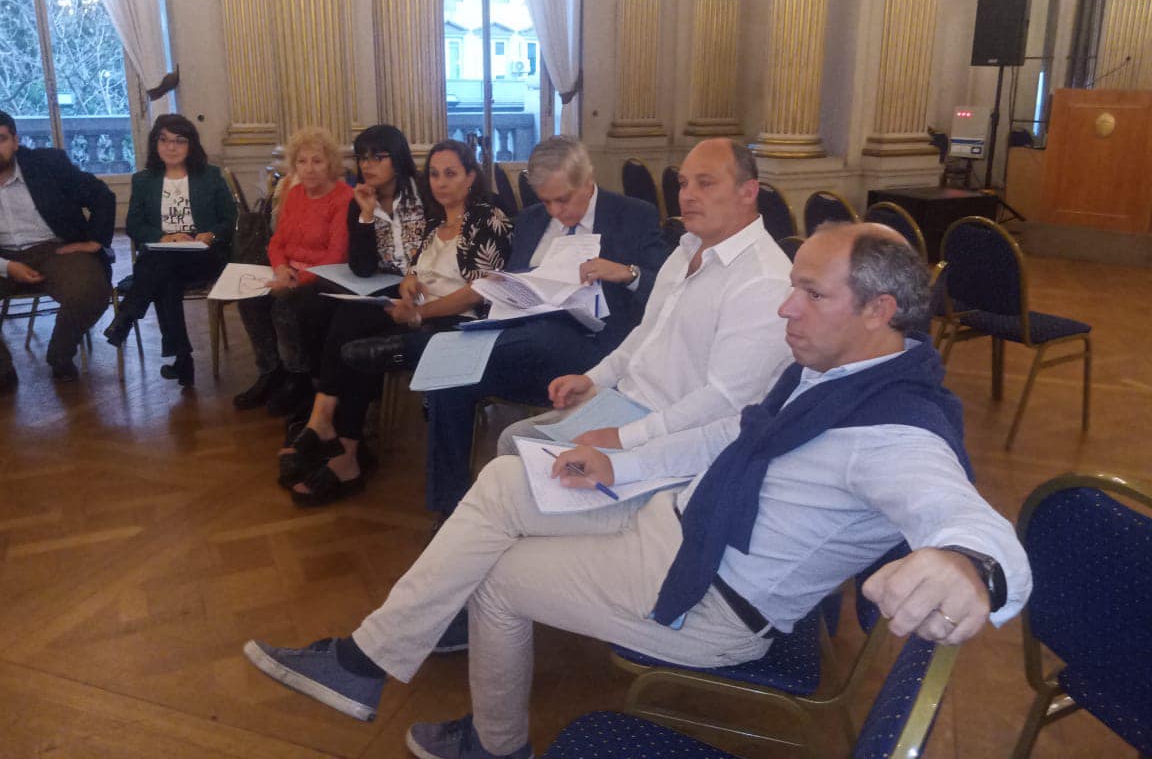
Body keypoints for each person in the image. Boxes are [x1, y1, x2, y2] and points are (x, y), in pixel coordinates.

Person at [244, 222, 1032, 759]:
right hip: (676, 523)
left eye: (812, 294)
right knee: (509, 478)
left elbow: (964, 516)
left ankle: (493, 743)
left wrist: (971, 568)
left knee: (500, 579)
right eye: (792, 285)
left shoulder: (896, 432)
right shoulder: (836, 372)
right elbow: (732, 435)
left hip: (710, 599)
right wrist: (618, 457)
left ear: (879, 311)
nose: (786, 306)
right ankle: (365, 659)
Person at [340, 135, 668, 519]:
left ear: (587, 179)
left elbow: (669, 288)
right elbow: (513, 286)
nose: (556, 211)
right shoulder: (531, 220)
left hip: (593, 350)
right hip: (523, 346)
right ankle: (450, 509)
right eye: (546, 201)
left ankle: (413, 349)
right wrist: (505, 288)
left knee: (541, 335)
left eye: (563, 200)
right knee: (450, 376)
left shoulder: (633, 215)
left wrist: (626, 273)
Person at [496, 137, 793, 458]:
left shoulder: (764, 279)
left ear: (748, 192)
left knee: (518, 451)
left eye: (705, 183)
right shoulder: (687, 248)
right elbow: (647, 332)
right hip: (628, 402)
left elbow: (724, 401)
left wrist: (626, 436)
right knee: (514, 440)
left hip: (675, 435)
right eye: (683, 183)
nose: (687, 195)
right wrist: (593, 379)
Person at [282, 138, 513, 507]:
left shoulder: (488, 217)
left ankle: (340, 446)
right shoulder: (434, 221)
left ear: (471, 177)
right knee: (351, 320)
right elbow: (413, 270)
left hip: (459, 322)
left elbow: (480, 292)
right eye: (434, 174)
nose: (441, 183)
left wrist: (420, 314)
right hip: (419, 312)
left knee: (362, 349)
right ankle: (339, 440)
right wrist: (408, 284)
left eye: (451, 174)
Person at [103, 114, 238, 386]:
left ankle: (127, 316)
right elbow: (134, 225)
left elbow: (230, 218)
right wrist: (162, 238)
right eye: (163, 140)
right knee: (165, 275)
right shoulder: (144, 180)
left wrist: (210, 235)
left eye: (179, 140)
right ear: (155, 144)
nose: (171, 147)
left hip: (203, 255)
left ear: (191, 145)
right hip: (162, 255)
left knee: (157, 269)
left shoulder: (210, 176)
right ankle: (183, 360)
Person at [234, 126, 352, 416]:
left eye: (317, 161)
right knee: (249, 299)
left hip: (324, 278)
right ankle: (270, 371)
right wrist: (280, 268)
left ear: (331, 163)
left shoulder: (343, 197)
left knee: (284, 305)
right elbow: (277, 242)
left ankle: (298, 376)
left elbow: (336, 257)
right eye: (302, 161)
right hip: (288, 272)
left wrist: (295, 280)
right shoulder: (296, 193)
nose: (309, 168)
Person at [0, 110, 114, 387]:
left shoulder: (47, 164)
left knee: (91, 290)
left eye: (0, 139)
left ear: (15, 141)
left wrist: (95, 240)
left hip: (53, 249)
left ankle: (61, 354)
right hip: (2, 256)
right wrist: (7, 266)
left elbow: (102, 196)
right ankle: (2, 370)